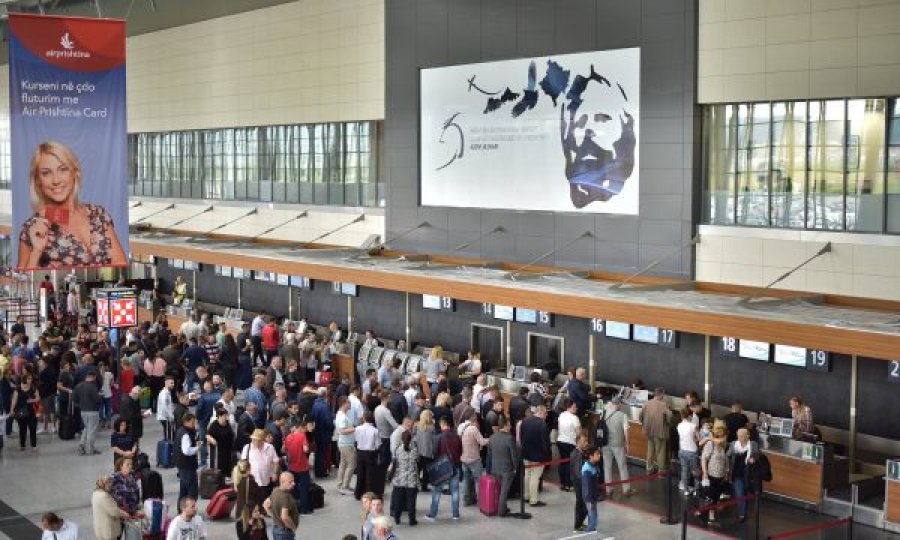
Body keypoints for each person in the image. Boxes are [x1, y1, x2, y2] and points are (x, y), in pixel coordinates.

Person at [18, 141, 127, 268]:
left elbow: (121, 268)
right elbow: (23, 285)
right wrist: (36, 252)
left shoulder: (98, 215)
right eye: (46, 173)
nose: (56, 180)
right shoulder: (31, 229)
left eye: (63, 169)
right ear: (38, 181)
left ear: (74, 173)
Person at [423, 416, 462, 521]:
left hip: (442, 467)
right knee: (455, 491)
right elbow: (460, 451)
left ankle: (433, 514)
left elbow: (435, 453)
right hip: (455, 466)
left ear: (443, 424)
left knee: (437, 491)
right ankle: (455, 515)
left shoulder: (438, 437)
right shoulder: (457, 437)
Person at [726, 427, 760, 523]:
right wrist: (727, 468)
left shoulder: (753, 444)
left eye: (741, 436)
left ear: (747, 436)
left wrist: (753, 458)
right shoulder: (733, 444)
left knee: (745, 492)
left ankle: (743, 510)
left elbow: (756, 454)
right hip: (737, 473)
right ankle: (742, 515)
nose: (739, 437)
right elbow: (728, 455)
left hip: (748, 473)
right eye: (738, 435)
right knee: (740, 493)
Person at [520, 405, 551, 507]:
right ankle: (533, 500)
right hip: (537, 456)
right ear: (541, 412)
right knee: (535, 477)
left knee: (527, 474)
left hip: (526, 453)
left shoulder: (525, 421)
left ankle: (526, 495)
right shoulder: (543, 425)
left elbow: (521, 437)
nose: (546, 415)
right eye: (546, 413)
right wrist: (547, 455)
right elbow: (545, 443)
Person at [601, 396, 632, 497]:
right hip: (618, 444)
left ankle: (608, 489)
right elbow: (626, 431)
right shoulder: (623, 415)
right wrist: (627, 444)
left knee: (607, 467)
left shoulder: (604, 413)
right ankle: (626, 489)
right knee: (622, 467)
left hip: (605, 444)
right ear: (618, 404)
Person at [699, 421, 729, 525]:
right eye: (720, 431)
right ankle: (703, 515)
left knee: (716, 497)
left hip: (720, 476)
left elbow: (725, 459)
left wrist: (726, 472)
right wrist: (705, 473)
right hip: (711, 474)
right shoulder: (710, 444)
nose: (722, 434)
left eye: (723, 431)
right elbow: (704, 459)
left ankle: (711, 517)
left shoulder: (722, 444)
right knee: (709, 497)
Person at [488, 416, 517, 517]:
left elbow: (490, 454)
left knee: (500, 490)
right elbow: (514, 456)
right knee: (504, 491)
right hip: (506, 469)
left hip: (495, 469)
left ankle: (503, 507)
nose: (511, 426)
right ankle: (501, 511)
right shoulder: (509, 438)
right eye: (509, 425)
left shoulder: (492, 437)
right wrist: (516, 468)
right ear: (505, 426)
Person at [242, 428, 281, 503]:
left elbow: (276, 461)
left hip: (266, 479)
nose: (253, 441)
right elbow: (243, 462)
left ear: (262, 440)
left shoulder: (270, 447)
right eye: (253, 439)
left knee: (265, 499)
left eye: (256, 440)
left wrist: (275, 473)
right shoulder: (247, 448)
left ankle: (263, 511)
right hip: (252, 480)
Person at [283, 419, 313, 515]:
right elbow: (306, 449)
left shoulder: (288, 437)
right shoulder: (302, 436)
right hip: (303, 467)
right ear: (299, 427)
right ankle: (305, 509)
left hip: (292, 466)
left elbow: (284, 450)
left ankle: (294, 507)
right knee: (304, 488)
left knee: (293, 488)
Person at [639, 387, 672, 473]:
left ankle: (649, 468)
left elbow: (640, 416)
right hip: (660, 432)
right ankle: (661, 470)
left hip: (648, 431)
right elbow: (670, 416)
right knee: (660, 451)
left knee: (650, 449)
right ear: (661, 394)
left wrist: (644, 424)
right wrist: (667, 423)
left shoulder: (647, 403)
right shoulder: (663, 405)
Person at [460, 410, 489, 506]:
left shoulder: (461, 427)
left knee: (466, 480)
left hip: (464, 458)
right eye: (475, 417)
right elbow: (482, 442)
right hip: (474, 458)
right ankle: (480, 501)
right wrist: (491, 438)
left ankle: (466, 500)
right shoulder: (473, 429)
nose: (476, 418)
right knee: (478, 480)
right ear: (472, 417)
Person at [390, 430, 419, 525]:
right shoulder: (415, 449)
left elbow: (394, 462)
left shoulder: (398, 449)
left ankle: (397, 518)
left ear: (402, 438)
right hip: (412, 479)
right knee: (411, 500)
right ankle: (412, 520)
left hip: (399, 478)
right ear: (411, 438)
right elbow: (418, 460)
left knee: (398, 499)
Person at [91, 475, 130, 540]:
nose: (111, 485)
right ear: (103, 484)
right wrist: (125, 514)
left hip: (100, 528)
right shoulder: (104, 496)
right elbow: (114, 512)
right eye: (109, 483)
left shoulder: (95, 494)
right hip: (108, 530)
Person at [354, 411, 382, 499]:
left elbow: (356, 440)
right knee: (369, 475)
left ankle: (358, 493)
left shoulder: (358, 428)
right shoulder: (375, 431)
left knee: (360, 473)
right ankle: (368, 493)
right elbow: (378, 444)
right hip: (370, 453)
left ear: (364, 419)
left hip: (360, 452)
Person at [73, 370, 101, 455]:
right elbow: (97, 399)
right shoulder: (93, 387)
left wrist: (80, 404)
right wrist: (100, 396)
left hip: (83, 411)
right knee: (92, 430)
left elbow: (74, 398)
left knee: (86, 428)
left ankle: (82, 445)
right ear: (93, 377)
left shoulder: (78, 386)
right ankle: (90, 449)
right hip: (93, 411)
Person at [10, 373, 39, 452]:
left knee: (33, 429)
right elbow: (14, 400)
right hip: (21, 412)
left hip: (32, 411)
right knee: (22, 429)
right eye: (28, 378)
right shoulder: (18, 389)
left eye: (31, 379)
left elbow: (38, 398)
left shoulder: (33, 388)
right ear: (24, 379)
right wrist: (12, 409)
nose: (30, 380)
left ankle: (34, 445)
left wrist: (32, 400)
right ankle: (22, 445)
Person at [175, 413, 201, 502]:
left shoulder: (180, 430)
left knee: (183, 490)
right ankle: (189, 510)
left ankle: (181, 510)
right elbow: (186, 451)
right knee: (191, 491)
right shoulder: (186, 434)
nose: (194, 424)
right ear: (187, 422)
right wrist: (197, 448)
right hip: (188, 465)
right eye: (193, 422)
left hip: (182, 465)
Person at [556, 398, 581, 492]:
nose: (576, 408)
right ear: (569, 407)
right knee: (570, 464)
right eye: (574, 407)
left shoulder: (561, 415)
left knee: (563, 463)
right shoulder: (575, 418)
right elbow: (578, 432)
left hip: (560, 441)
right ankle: (569, 484)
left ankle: (562, 483)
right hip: (570, 442)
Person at [266, 471, 299, 540]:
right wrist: (293, 527)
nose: (293, 483)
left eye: (293, 481)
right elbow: (284, 517)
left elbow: (265, 505)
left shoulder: (275, 491)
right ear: (282, 482)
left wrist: (274, 516)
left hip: (276, 529)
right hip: (285, 532)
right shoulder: (286, 497)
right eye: (290, 482)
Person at [335, 396, 358, 495]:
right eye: (348, 403)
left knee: (343, 464)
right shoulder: (342, 416)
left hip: (344, 443)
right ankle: (344, 486)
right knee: (352, 465)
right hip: (346, 444)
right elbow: (341, 431)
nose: (350, 405)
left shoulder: (341, 414)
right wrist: (354, 429)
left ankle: (341, 485)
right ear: (344, 404)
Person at [677, 406, 699, 495]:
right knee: (695, 471)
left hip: (682, 451)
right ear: (689, 416)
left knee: (684, 470)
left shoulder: (679, 426)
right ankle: (696, 490)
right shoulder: (693, 426)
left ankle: (686, 490)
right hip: (692, 451)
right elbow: (699, 439)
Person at [569, 433, 589, 532]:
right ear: (578, 441)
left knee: (582, 504)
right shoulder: (576, 454)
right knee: (582, 504)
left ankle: (579, 523)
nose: (586, 443)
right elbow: (577, 472)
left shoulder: (580, 453)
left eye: (586, 441)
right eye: (584, 441)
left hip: (580, 483)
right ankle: (578, 524)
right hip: (580, 484)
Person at [580, 445, 602, 533]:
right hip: (589, 497)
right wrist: (591, 500)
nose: (599, 455)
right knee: (592, 513)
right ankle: (591, 530)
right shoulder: (587, 470)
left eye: (599, 454)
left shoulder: (594, 465)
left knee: (592, 513)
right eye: (597, 454)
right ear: (591, 456)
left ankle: (591, 527)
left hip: (593, 495)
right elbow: (587, 487)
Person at [207, 407, 235, 474]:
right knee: (220, 469)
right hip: (218, 451)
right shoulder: (214, 425)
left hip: (228, 449)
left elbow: (231, 434)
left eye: (227, 415)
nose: (227, 417)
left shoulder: (227, 423)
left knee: (228, 467)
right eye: (225, 416)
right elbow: (208, 435)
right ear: (219, 416)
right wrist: (212, 440)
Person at [157, 375, 176, 440]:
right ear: (166, 383)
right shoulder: (164, 393)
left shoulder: (167, 392)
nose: (173, 384)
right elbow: (164, 406)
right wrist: (171, 416)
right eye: (171, 383)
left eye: (173, 383)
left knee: (169, 434)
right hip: (166, 418)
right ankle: (169, 449)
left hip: (166, 417)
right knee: (169, 436)